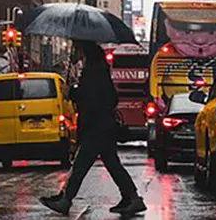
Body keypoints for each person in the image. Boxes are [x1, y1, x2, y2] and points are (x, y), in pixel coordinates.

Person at [39, 41, 146, 216]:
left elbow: (91, 99)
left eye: (77, 48)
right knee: (112, 164)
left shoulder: (94, 73)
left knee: (81, 164)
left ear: (86, 51)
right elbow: (108, 98)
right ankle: (132, 198)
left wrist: (72, 92)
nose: (74, 53)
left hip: (96, 127)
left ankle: (65, 200)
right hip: (103, 127)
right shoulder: (98, 70)